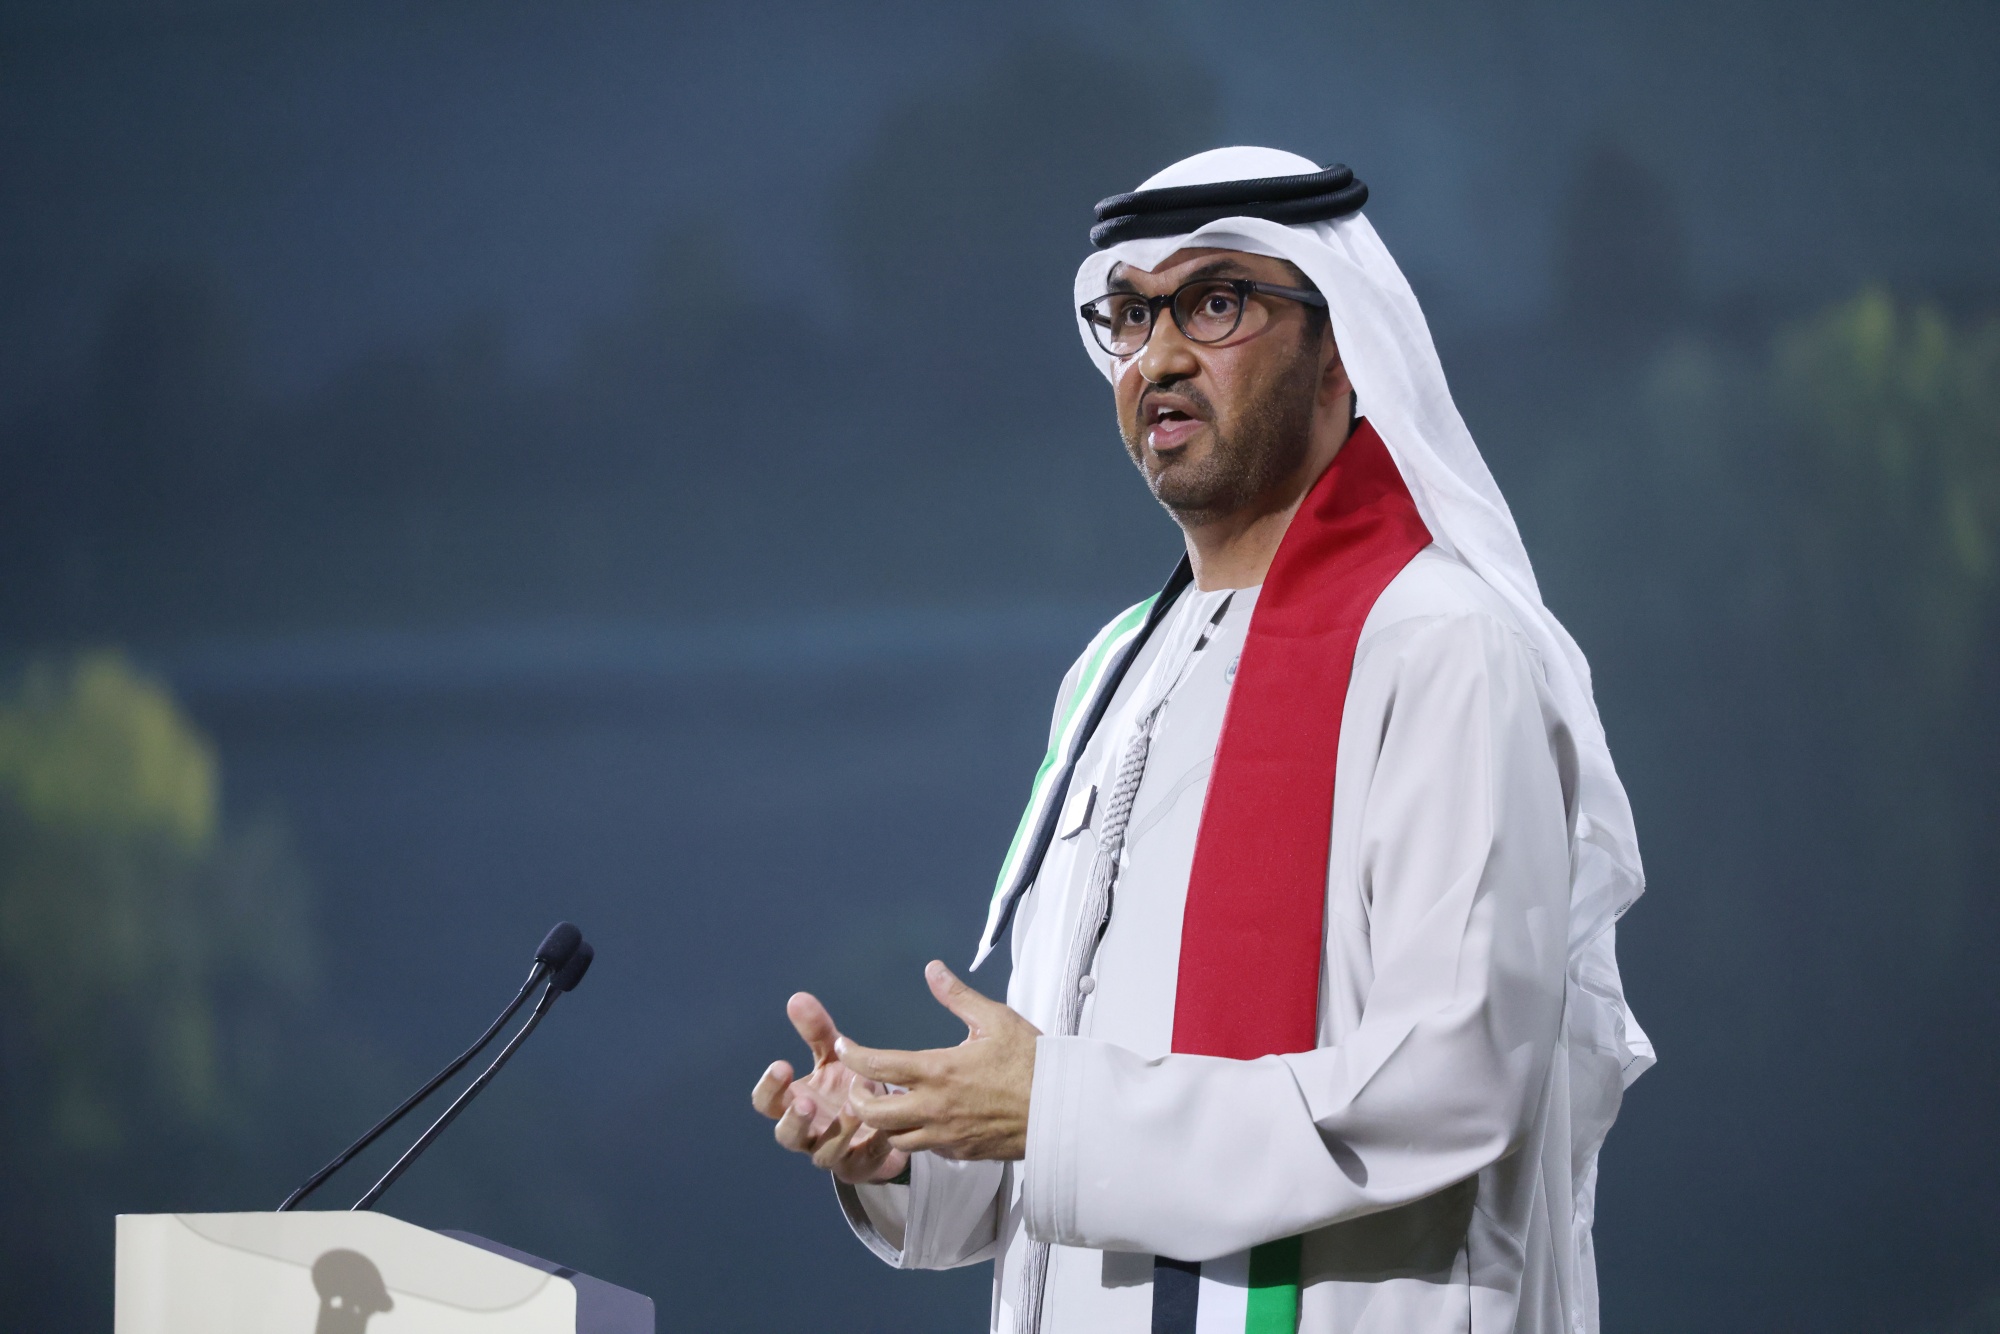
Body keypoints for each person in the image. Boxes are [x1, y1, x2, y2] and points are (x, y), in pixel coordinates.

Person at [750, 146, 1653, 1334]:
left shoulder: (1442, 647)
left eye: (1215, 302)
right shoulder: (1112, 671)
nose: (1158, 353)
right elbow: (1077, 1136)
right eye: (1129, 314)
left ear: (1340, 346)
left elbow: (1450, 1083)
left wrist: (1050, 1107)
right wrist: (909, 1141)